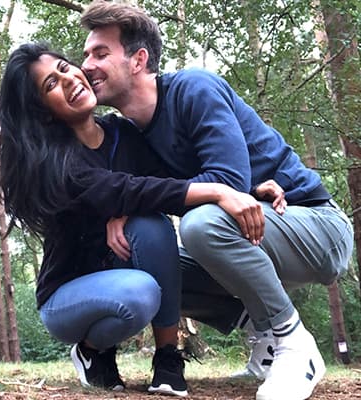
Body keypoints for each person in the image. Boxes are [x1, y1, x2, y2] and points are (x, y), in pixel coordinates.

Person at [79, 2, 354, 400]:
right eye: (86, 54)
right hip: (258, 235)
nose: (86, 64)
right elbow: (141, 190)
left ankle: (294, 343)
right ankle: (266, 340)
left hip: (316, 226)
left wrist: (154, 199)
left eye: (100, 53)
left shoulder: (194, 88)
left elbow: (228, 184)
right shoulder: (133, 134)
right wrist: (121, 209)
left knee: (202, 225)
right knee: (146, 261)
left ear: (138, 60)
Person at [0, 42, 271, 396]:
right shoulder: (58, 164)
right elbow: (125, 189)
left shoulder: (122, 134)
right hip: (67, 296)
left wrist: (248, 189)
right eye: (50, 84)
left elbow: (167, 181)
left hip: (123, 269)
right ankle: (92, 351)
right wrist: (220, 191)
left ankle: (168, 357)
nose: (67, 80)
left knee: (151, 225)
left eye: (64, 68)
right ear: (44, 111)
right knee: (140, 293)